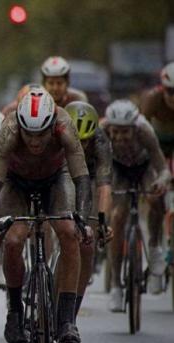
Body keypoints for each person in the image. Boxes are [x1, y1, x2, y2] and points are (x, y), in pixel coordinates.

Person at [0, 86, 92, 343]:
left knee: (68, 232)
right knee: (13, 240)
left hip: (57, 178)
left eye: (41, 134)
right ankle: (15, 311)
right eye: (28, 134)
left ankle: (67, 320)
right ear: (20, 125)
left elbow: (81, 177)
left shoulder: (64, 125)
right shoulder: (9, 130)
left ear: (51, 126)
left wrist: (84, 219)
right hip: (16, 182)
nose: (34, 142)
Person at [104, 100, 170, 308]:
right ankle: (115, 283)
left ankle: (154, 246)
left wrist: (161, 181)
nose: (121, 137)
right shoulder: (102, 132)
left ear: (134, 128)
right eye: (117, 132)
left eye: (126, 132)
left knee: (155, 198)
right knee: (117, 216)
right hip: (118, 170)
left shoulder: (145, 131)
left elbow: (163, 168)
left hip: (144, 167)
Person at [64, 101, 113, 320]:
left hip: (90, 179)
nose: (81, 147)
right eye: (77, 141)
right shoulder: (57, 134)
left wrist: (102, 221)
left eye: (86, 141)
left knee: (87, 243)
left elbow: (104, 185)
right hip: (62, 175)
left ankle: (72, 310)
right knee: (50, 224)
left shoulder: (102, 141)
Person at [139, 62, 174, 160]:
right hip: (156, 140)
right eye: (171, 91)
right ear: (163, 89)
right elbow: (140, 128)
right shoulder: (153, 98)